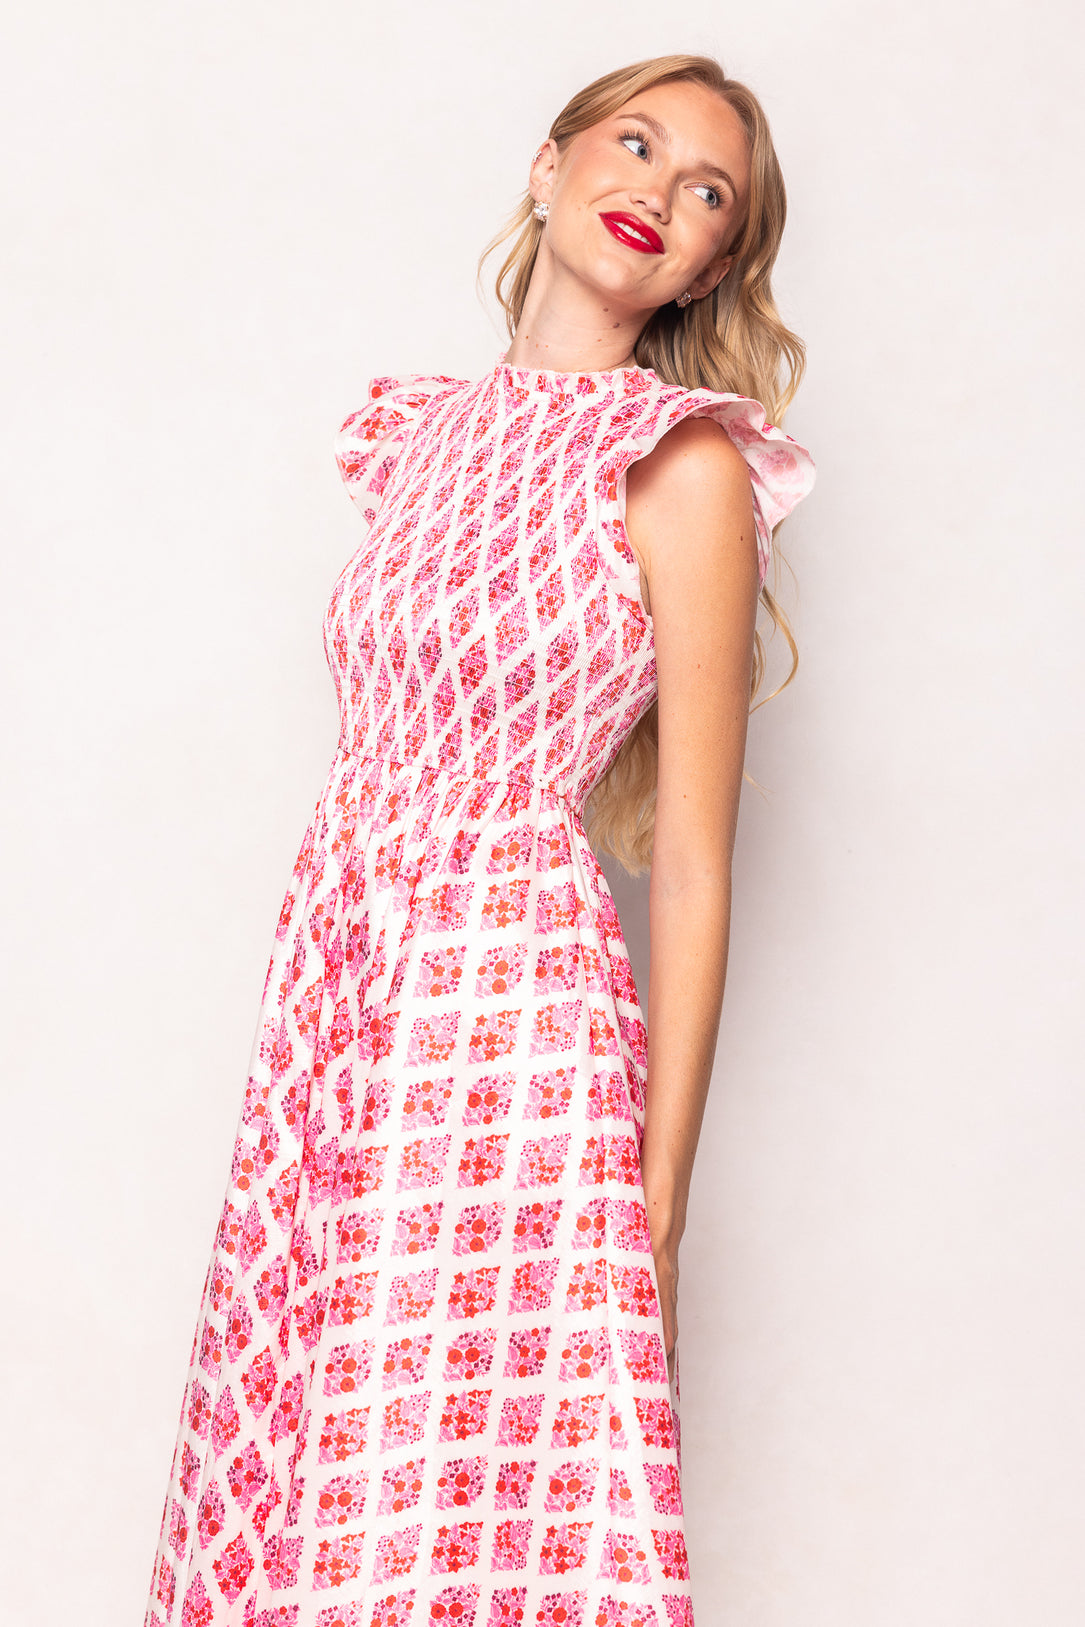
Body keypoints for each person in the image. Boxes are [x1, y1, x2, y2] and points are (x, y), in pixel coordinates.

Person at [145, 51, 815, 1627]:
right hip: (338, 980)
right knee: (310, 1428)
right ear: (547, 165)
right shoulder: (417, 436)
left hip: (507, 1014)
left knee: (473, 1480)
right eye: (634, 146)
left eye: (703, 189)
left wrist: (654, 1202)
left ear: (715, 259)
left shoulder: (683, 464)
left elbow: (701, 860)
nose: (656, 191)